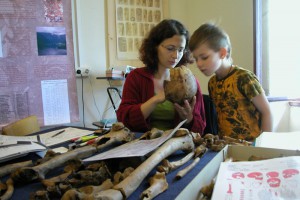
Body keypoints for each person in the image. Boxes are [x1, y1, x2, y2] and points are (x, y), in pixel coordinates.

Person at [117, 19, 206, 133]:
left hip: (176, 146)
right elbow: (124, 120)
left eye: (181, 50)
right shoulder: (136, 77)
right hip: (142, 144)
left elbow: (200, 129)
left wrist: (189, 119)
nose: (176, 55)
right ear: (155, 46)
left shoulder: (190, 82)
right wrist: (155, 100)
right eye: (170, 49)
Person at [189, 23, 273, 141]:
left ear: (222, 53)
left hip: (252, 146)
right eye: (196, 59)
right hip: (228, 147)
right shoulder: (212, 83)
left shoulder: (244, 78)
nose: (199, 64)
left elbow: (267, 112)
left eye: (204, 57)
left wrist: (264, 146)